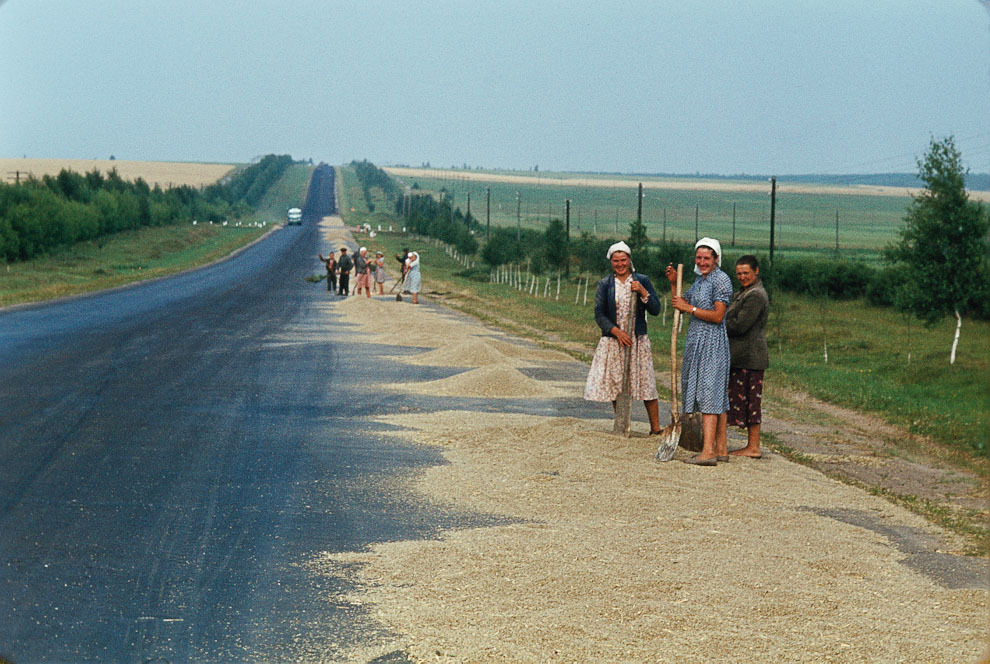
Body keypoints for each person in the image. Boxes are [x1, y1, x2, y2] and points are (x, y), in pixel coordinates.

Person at [584, 241, 663, 434]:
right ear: (611, 262)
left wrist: (643, 292)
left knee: (646, 381)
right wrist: (617, 332)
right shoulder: (605, 284)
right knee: (617, 382)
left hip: (637, 339)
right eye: (616, 261)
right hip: (614, 340)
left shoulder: (641, 280)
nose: (620, 264)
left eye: (623, 260)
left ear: (629, 260)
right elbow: (599, 314)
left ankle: (655, 428)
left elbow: (656, 309)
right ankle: (622, 423)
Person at [666, 237, 733, 466]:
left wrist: (690, 308)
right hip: (697, 342)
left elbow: (718, 315)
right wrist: (674, 283)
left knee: (709, 394)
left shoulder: (721, 280)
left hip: (712, 343)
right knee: (714, 394)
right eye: (699, 258)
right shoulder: (700, 281)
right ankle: (721, 448)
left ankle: (708, 452)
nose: (702, 262)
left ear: (716, 259)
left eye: (707, 258)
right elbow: (681, 303)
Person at [725, 255, 769, 459]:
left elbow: (739, 325)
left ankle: (753, 446)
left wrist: (718, 320)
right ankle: (750, 445)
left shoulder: (756, 295)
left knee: (752, 401)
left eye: (746, 273)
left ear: (756, 271)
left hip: (751, 357)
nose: (742, 277)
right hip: (741, 356)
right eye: (739, 273)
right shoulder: (743, 293)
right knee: (739, 399)